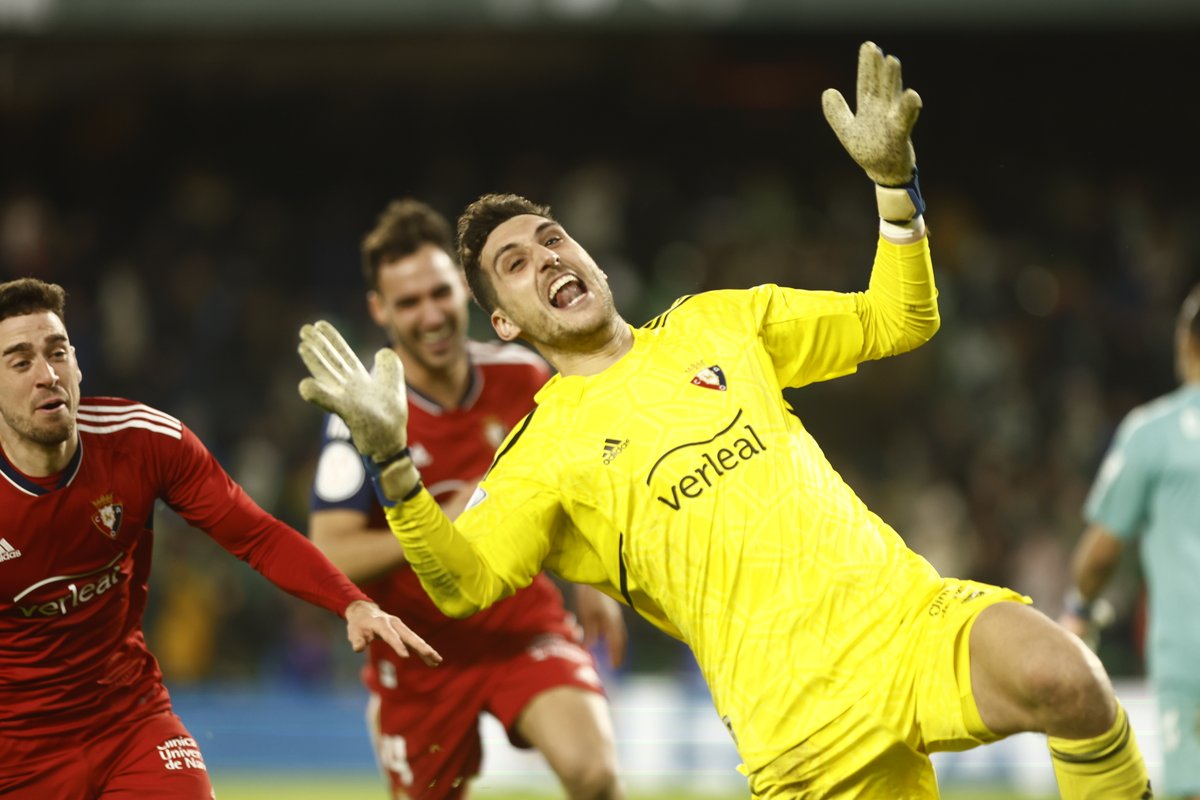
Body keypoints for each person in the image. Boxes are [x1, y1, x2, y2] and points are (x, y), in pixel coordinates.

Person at [297, 42, 1152, 799]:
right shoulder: (541, 449)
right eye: (515, 264)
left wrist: (895, 189)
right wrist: (394, 466)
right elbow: (464, 580)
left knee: (1064, 675)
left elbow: (901, 319)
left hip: (903, 621)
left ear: (587, 254)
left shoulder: (720, 321)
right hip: (797, 724)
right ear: (506, 325)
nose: (547, 258)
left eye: (553, 238)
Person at [0, 276, 440, 800]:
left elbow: (256, 536)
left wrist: (353, 604)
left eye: (57, 352)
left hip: (128, 722)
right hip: (17, 749)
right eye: (20, 361)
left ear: (78, 364)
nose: (47, 375)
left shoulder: (144, 442)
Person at [307, 198, 627, 800]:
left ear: (464, 290)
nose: (430, 315)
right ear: (380, 311)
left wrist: (593, 585)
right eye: (408, 302)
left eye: (439, 293)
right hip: (419, 659)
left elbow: (582, 485)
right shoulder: (364, 415)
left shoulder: (523, 379)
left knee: (595, 775)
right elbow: (331, 552)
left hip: (520, 628)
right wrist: (447, 519)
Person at [1061, 283, 1200, 800]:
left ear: (1187, 344)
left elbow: (1100, 554)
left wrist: (1079, 608)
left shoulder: (1153, 433)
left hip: (1191, 654)